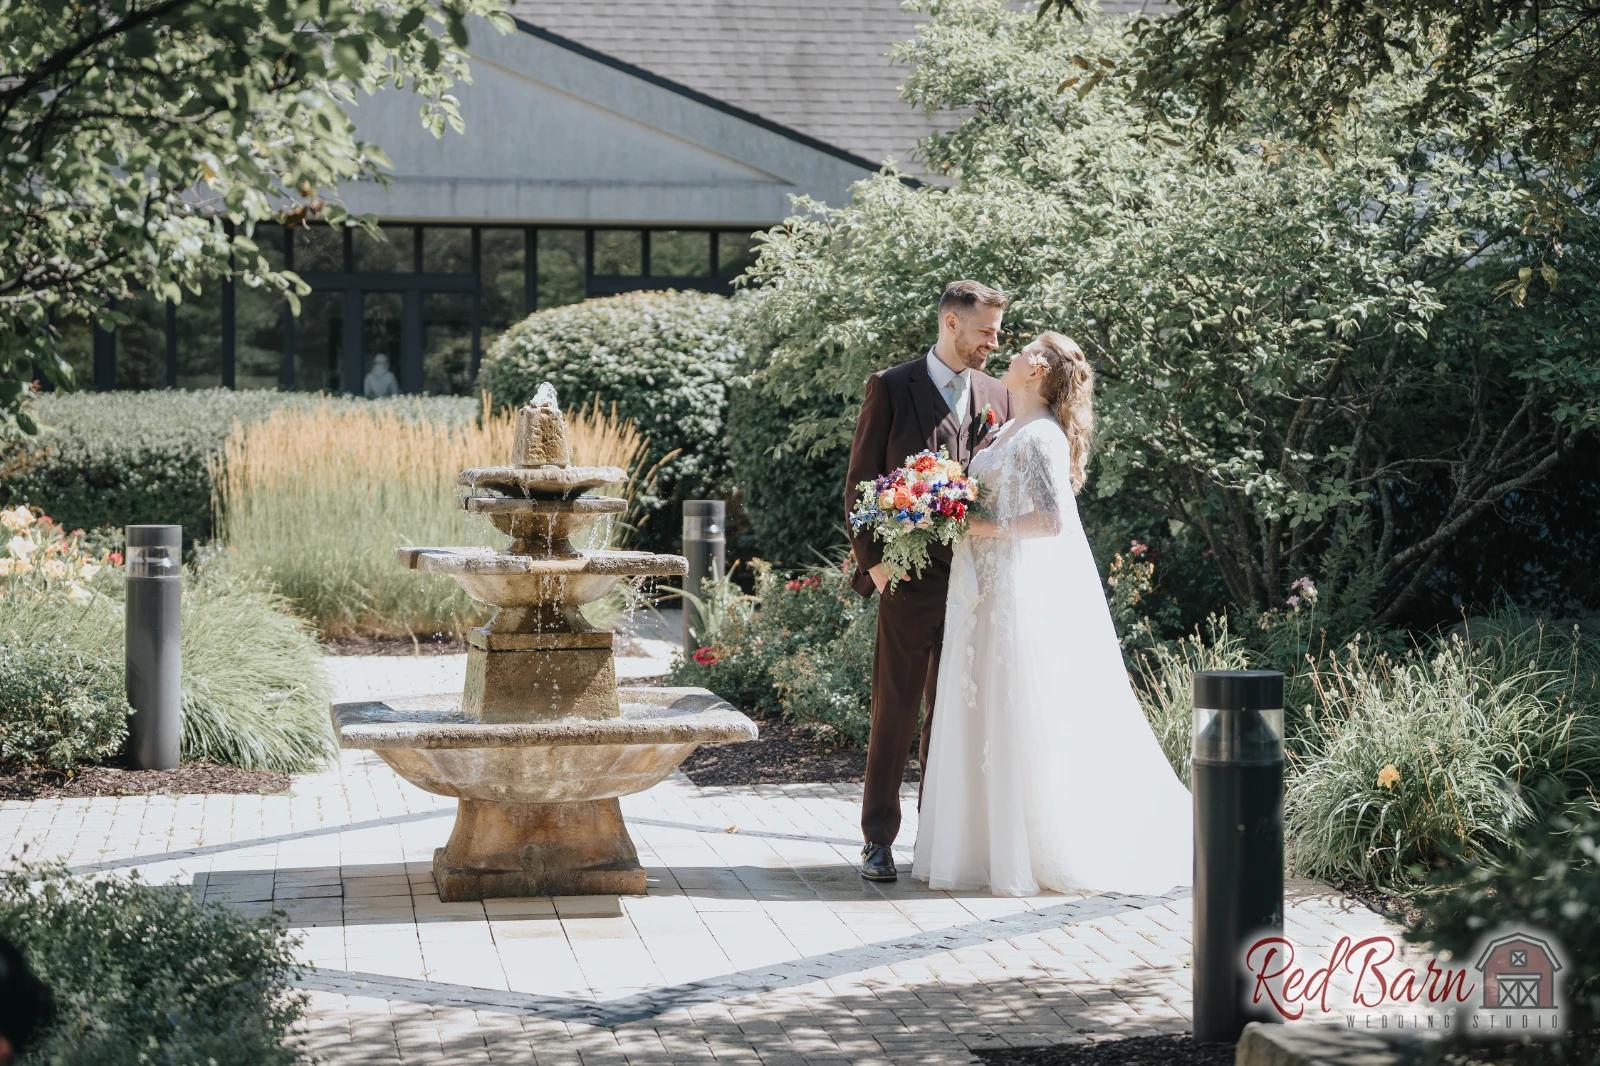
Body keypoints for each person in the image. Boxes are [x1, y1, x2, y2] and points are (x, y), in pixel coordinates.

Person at [912, 332, 1193, 896]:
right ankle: (980, 848)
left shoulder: (1041, 436)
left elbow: (1050, 521)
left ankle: (1029, 849)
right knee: (980, 704)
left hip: (1011, 590)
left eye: (1022, 351)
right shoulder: (1007, 429)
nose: (1009, 354)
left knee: (1013, 706)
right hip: (981, 592)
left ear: (1038, 370)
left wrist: (976, 526)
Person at [843, 280, 1014, 882]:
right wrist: (875, 564)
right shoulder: (892, 387)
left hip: (977, 582)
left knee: (954, 715)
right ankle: (877, 839)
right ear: (951, 322)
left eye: (998, 331)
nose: (994, 342)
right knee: (894, 710)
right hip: (909, 579)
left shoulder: (998, 395)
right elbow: (860, 481)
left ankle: (939, 840)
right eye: (986, 331)